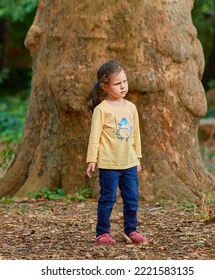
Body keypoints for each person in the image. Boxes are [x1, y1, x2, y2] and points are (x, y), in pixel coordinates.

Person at [86, 60, 147, 245]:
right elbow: (94, 137)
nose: (123, 87)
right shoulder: (101, 110)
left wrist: (137, 157)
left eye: (125, 82)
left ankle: (131, 230)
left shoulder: (131, 108)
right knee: (107, 199)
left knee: (132, 198)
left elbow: (136, 134)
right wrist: (91, 159)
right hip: (109, 164)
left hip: (128, 163)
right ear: (104, 86)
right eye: (117, 83)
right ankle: (102, 233)